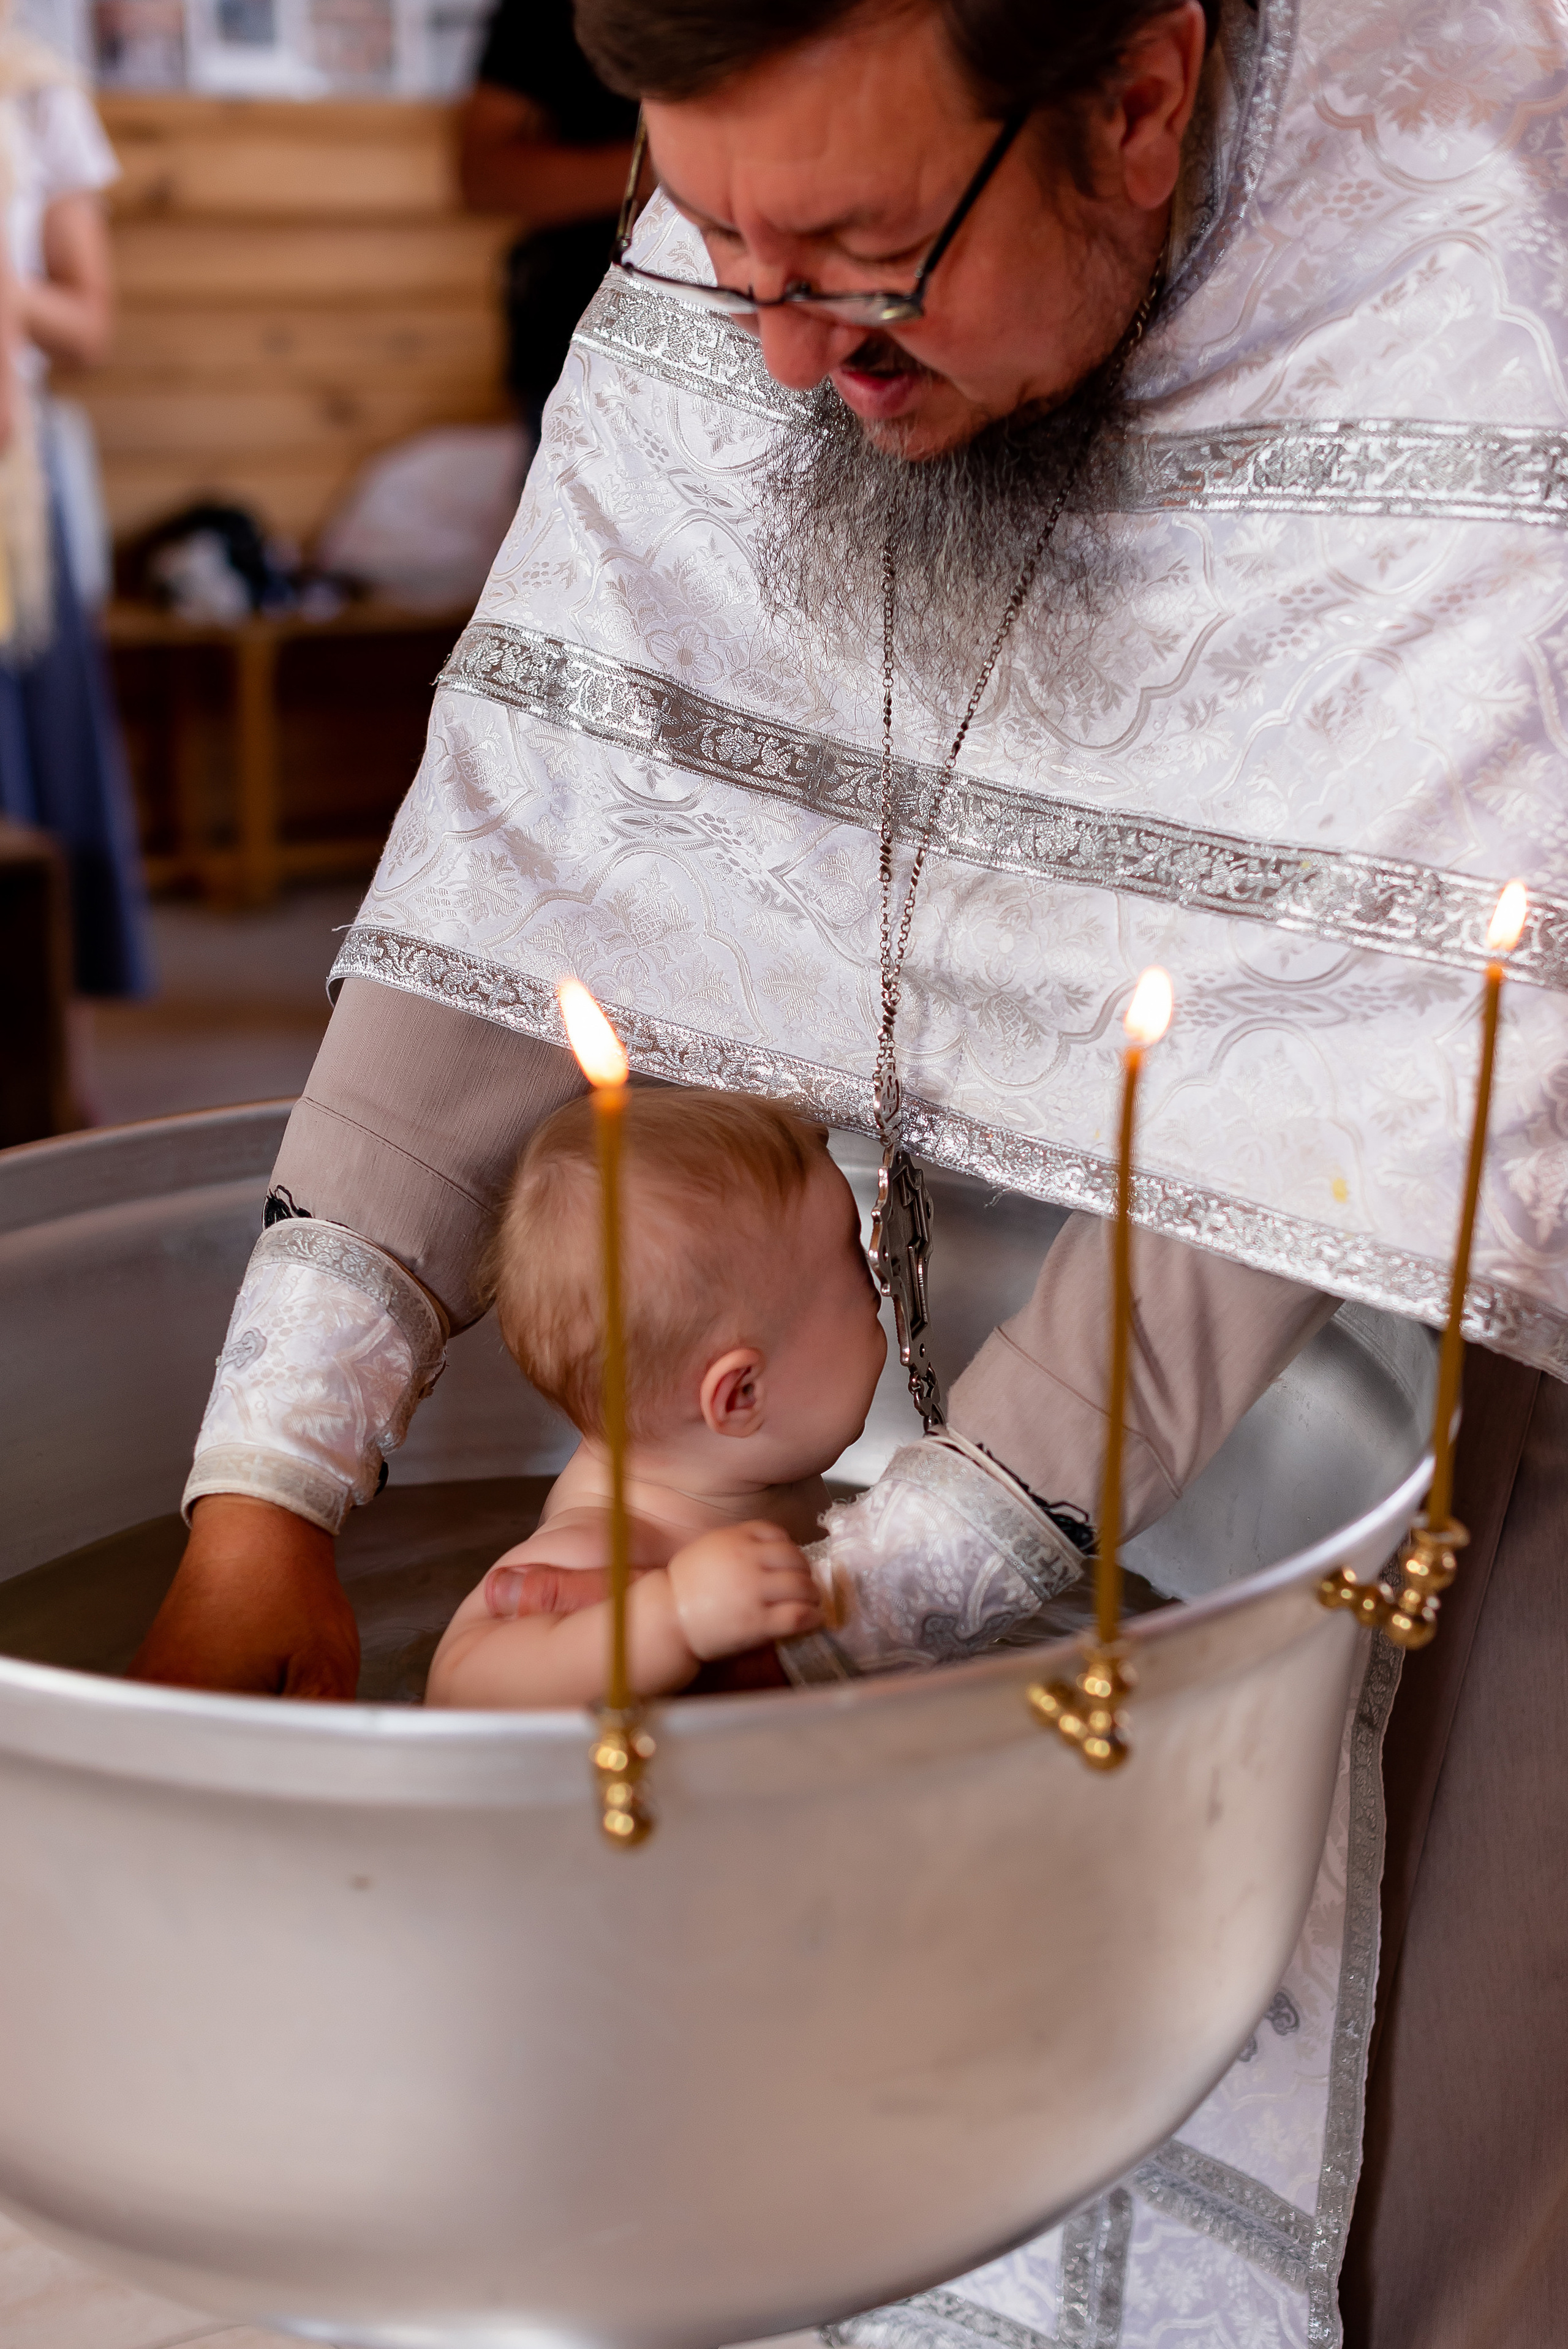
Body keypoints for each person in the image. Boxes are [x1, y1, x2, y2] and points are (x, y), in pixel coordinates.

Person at [130, 0, 1568, 2342]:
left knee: (1425, 2178)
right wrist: (271, 1477)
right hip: (849, 1327)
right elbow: (583, 782)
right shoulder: (784, 223)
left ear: (1133, 91)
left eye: (861, 262)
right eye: (717, 249)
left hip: (1377, 1343)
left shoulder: (1468, 218)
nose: (782, 359)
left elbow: (1378, 998)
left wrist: (944, 1549)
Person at [426, 1085, 884, 1706]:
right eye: (856, 1271)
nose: (883, 1287)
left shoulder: (748, 1468)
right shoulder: (606, 1540)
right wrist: (672, 1615)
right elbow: (461, 1685)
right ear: (740, 1394)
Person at [0, 15, 149, 1024]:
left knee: (36, 769)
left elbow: (90, 321)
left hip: (10, 474)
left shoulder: (32, 86)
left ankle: (56, 1061)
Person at [458, 0, 638, 440]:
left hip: (744, 339)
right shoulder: (545, 13)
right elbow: (481, 175)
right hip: (580, 342)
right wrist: (670, 169)